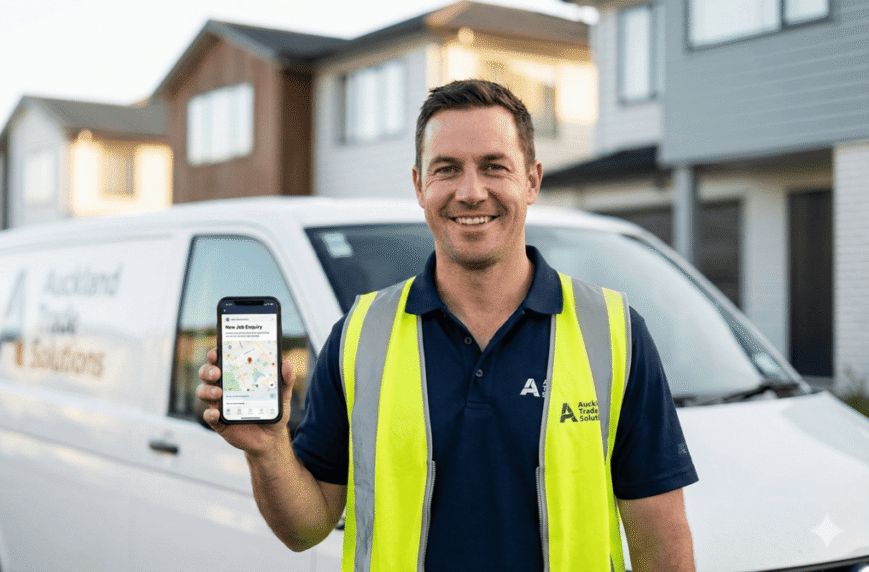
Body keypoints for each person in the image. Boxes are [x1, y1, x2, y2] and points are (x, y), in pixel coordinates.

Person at [197, 79, 698, 572]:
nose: (471, 191)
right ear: (420, 185)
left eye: (493, 167)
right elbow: (304, 529)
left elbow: (661, 542)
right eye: (447, 169)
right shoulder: (360, 336)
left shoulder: (614, 333)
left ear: (532, 180)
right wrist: (268, 450)